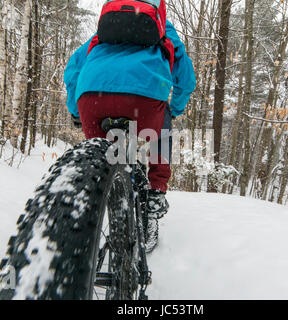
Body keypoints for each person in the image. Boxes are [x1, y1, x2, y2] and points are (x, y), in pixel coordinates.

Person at [64, 0, 196, 251]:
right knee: (164, 120)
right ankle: (156, 191)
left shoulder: (101, 34)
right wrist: (175, 109)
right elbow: (186, 79)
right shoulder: (163, 28)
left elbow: (72, 70)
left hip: (92, 100)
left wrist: (76, 111)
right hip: (144, 104)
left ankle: (86, 198)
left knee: (101, 152)